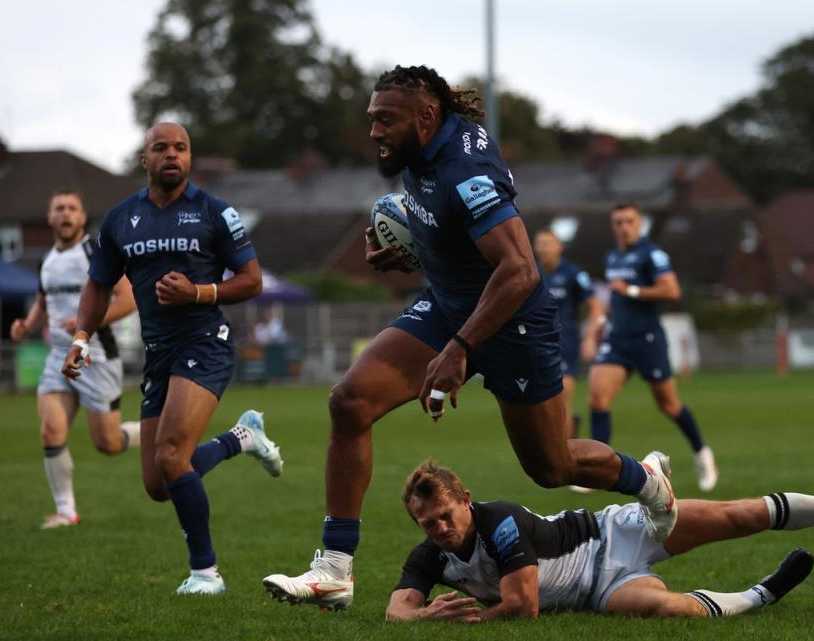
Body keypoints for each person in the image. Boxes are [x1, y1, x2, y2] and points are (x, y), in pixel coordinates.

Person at [262, 65, 677, 611]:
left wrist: (458, 348)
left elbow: (520, 269)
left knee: (551, 467)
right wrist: (410, 251)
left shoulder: (466, 168)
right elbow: (450, 230)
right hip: (449, 307)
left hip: (513, 323)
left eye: (386, 120)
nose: (374, 132)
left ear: (426, 116)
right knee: (349, 402)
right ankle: (335, 569)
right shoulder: (423, 149)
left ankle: (645, 480)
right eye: (371, 119)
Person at [61, 122, 283, 595]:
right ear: (144, 159)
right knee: (158, 483)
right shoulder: (121, 219)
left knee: (169, 454)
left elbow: (252, 280)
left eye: (180, 148)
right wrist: (81, 337)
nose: (171, 155)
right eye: (160, 148)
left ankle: (206, 573)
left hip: (206, 343)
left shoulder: (215, 213)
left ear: (190, 158)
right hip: (158, 355)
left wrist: (199, 292)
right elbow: (98, 284)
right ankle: (241, 440)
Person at [385, 459, 814, 622]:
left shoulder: (498, 520)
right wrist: (422, 617)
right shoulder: (429, 554)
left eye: (445, 515)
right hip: (597, 592)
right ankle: (763, 594)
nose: (439, 529)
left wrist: (472, 618)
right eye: (428, 523)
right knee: (668, 610)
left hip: (610, 535)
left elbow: (523, 606)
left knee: (739, 516)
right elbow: (395, 611)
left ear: (465, 500)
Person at [10, 188, 140, 529]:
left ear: (82, 217)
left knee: (108, 444)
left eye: (72, 208)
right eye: (59, 208)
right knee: (51, 430)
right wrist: (27, 324)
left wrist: (88, 323)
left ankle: (151, 432)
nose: (65, 214)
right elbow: (43, 301)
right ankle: (66, 511)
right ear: (50, 217)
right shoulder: (46, 260)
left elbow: (129, 298)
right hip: (57, 356)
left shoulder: (95, 251)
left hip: (97, 356)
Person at [585, 203, 718, 492]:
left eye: (629, 221)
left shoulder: (652, 254)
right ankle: (598, 469)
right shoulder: (612, 256)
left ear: (639, 224)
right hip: (618, 340)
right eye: (618, 222)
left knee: (669, 405)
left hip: (647, 341)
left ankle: (702, 454)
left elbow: (672, 290)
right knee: (597, 398)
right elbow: (614, 296)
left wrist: (632, 290)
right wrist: (602, 321)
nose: (624, 227)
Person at [532, 228, 601, 440]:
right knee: (541, 405)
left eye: (549, 243)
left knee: (562, 399)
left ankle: (567, 453)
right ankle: (562, 444)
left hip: (565, 343)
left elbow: (595, 305)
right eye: (540, 243)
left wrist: (590, 337)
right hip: (534, 343)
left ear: (560, 246)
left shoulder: (573, 273)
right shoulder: (530, 272)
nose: (544, 248)